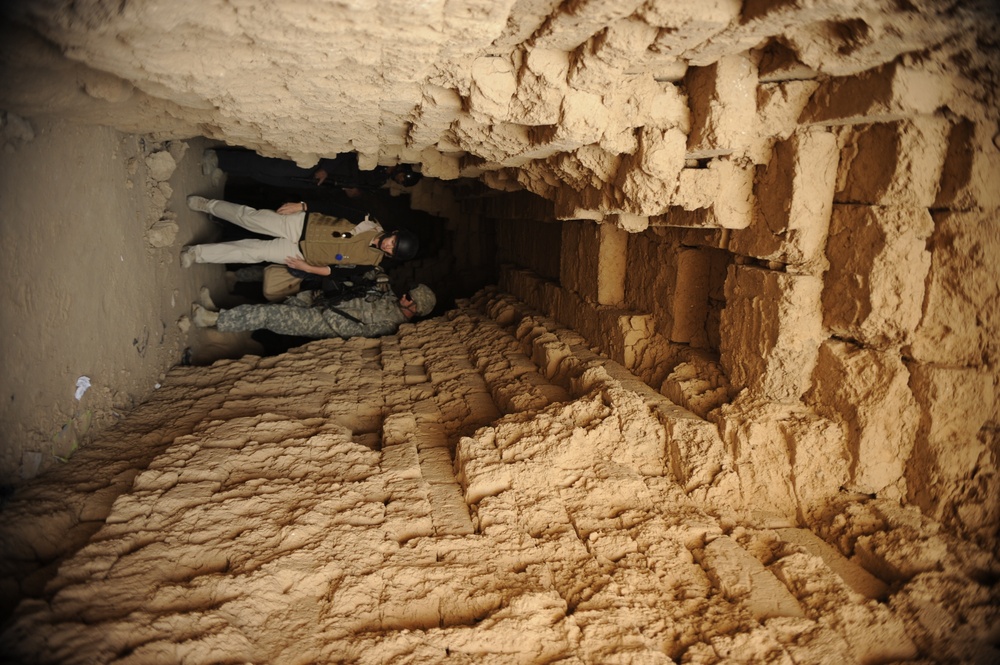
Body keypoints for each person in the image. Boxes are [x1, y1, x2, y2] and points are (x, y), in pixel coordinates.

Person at [180, 196, 419, 277]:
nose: (388, 246)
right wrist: (303, 205)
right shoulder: (367, 220)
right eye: (393, 242)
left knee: (251, 252)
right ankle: (208, 205)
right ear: (394, 233)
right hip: (302, 225)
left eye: (392, 251)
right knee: (250, 218)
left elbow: (336, 271)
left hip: (300, 254)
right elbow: (334, 206)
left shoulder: (370, 264)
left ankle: (196, 254)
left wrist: (307, 268)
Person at [191, 283, 436, 340]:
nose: (405, 295)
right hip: (323, 303)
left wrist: (328, 312)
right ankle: (219, 313)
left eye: (409, 298)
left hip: (321, 321)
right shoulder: (391, 298)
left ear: (415, 309)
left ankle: (212, 319)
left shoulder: (390, 326)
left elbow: (353, 330)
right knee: (275, 306)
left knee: (269, 316)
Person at [204, 148, 422, 194]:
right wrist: (325, 169)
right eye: (404, 178)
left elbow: (355, 185)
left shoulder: (378, 180)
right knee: (271, 165)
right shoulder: (379, 157)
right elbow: (346, 152)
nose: (400, 180)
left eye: (402, 182)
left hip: (322, 181)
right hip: (321, 165)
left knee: (270, 178)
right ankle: (219, 157)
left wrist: (350, 190)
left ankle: (227, 168)